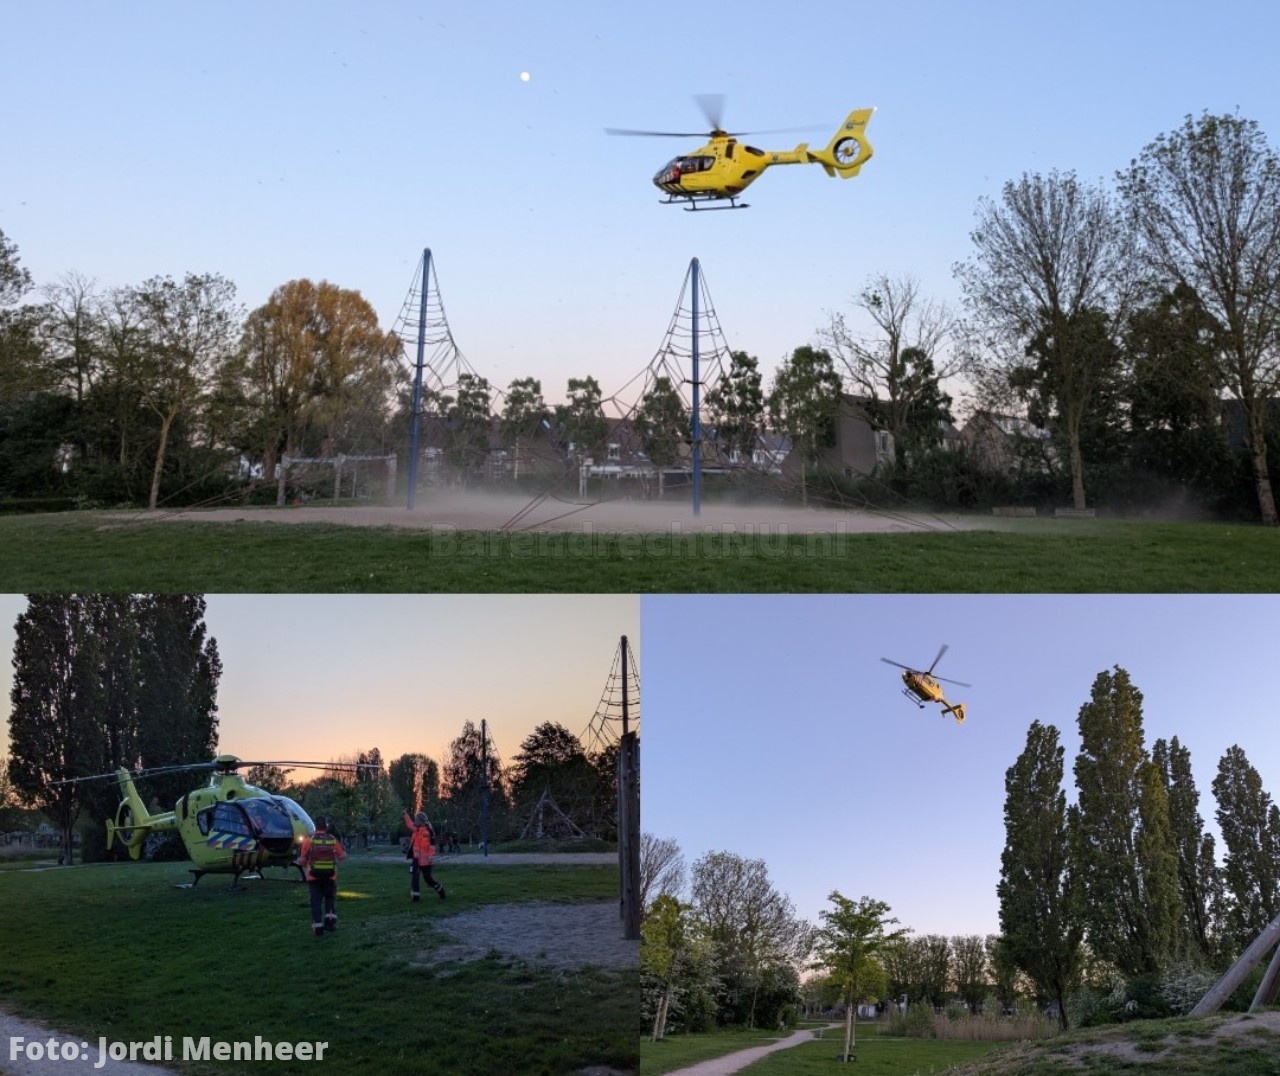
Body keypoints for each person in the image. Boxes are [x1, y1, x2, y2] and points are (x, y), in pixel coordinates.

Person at [296, 815, 347, 937]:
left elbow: (302, 860)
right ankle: (330, 923)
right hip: (330, 877)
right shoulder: (332, 840)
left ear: (315, 826)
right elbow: (342, 856)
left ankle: (318, 928)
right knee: (330, 900)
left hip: (313, 878)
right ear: (326, 826)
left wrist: (303, 864)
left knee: (316, 902)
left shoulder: (309, 841)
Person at [402, 809, 446, 902]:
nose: (415, 821)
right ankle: (416, 897)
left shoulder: (429, 832)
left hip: (426, 861)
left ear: (421, 821)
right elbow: (409, 824)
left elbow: (432, 846)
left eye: (416, 820)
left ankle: (440, 889)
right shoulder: (416, 829)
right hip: (416, 859)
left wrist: (430, 857)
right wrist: (405, 816)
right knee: (415, 877)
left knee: (428, 879)